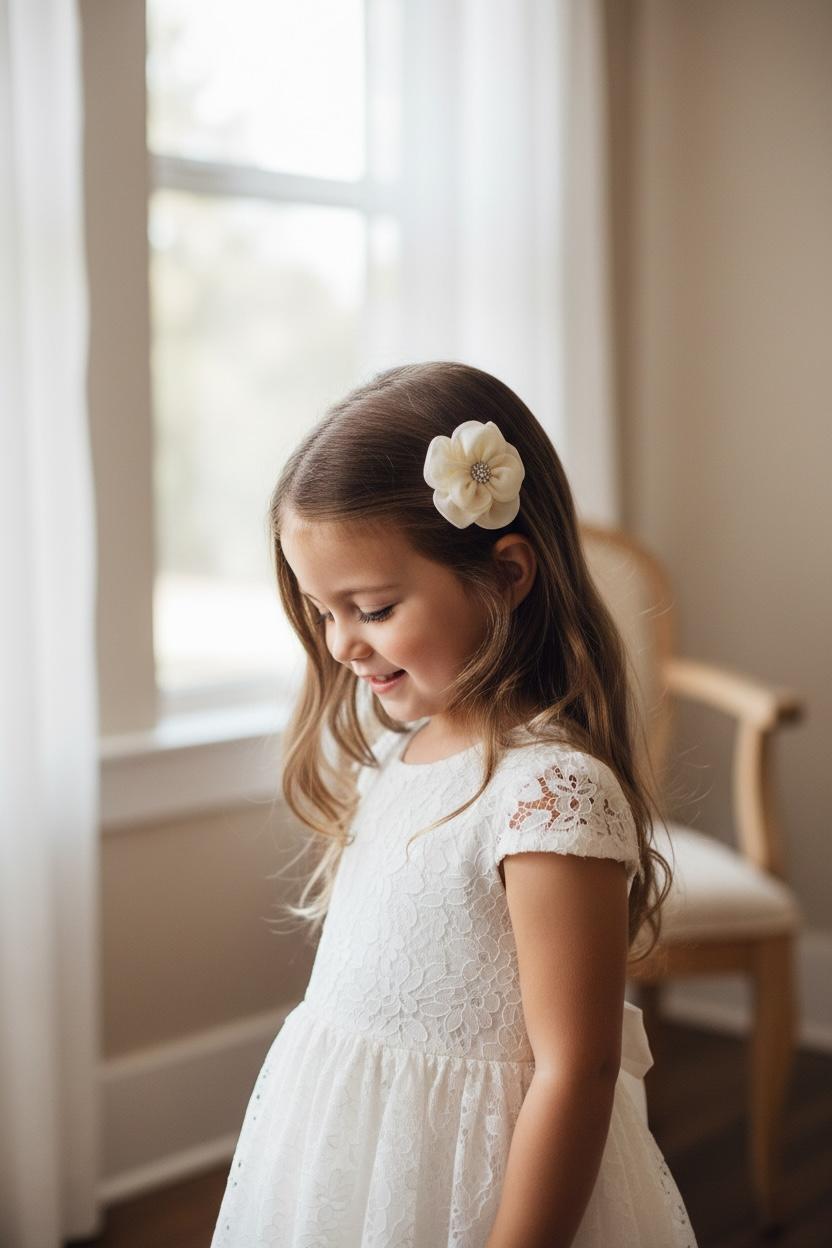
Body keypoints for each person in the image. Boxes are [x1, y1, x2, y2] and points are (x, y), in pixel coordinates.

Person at [211, 362, 696, 1247]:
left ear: (506, 572)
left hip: (482, 1189)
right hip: (353, 1157)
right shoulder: (395, 753)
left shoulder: (549, 794)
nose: (343, 645)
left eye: (374, 607)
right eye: (324, 613)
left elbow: (577, 1072)